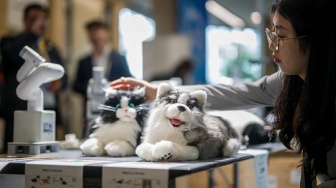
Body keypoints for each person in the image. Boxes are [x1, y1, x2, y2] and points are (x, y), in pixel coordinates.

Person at [110, 0, 336, 187]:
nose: (272, 46)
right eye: (271, 34)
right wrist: (158, 92)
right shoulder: (291, 80)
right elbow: (236, 93)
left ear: (315, 39)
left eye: (282, 36)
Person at [0, 3, 67, 152]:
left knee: (45, 149)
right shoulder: (11, 41)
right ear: (24, 21)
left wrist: (59, 83)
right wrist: (30, 34)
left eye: (43, 19)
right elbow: (9, 59)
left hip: (47, 105)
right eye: (34, 18)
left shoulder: (50, 47)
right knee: (16, 150)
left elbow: (64, 76)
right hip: (19, 107)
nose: (39, 22)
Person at [72, 20, 132, 136]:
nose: (96, 38)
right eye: (92, 35)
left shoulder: (119, 59)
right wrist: (92, 87)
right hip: (91, 109)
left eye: (99, 35)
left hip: (115, 108)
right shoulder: (83, 61)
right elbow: (75, 85)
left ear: (107, 34)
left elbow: (128, 80)